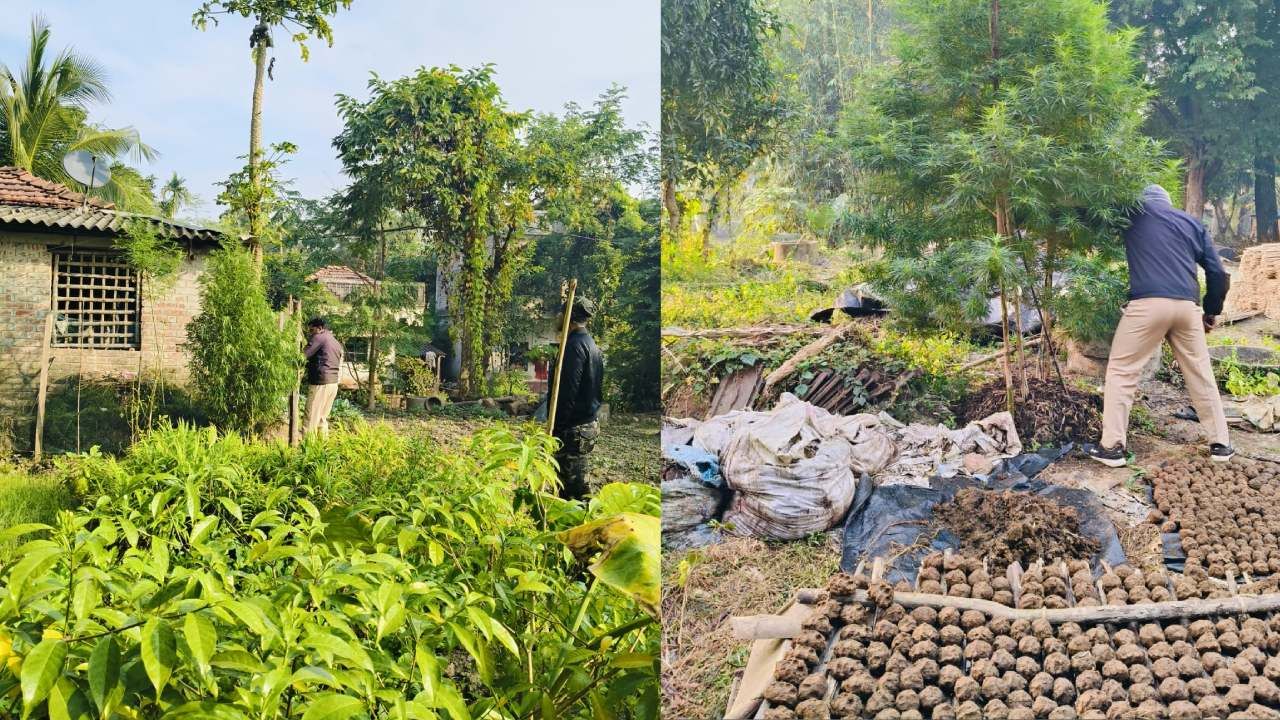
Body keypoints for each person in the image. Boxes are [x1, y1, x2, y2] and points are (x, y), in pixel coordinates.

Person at [1085, 184, 1233, 467]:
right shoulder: (1191, 222)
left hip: (1147, 306)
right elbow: (1218, 272)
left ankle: (1112, 447)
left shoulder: (1131, 214)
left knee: (1122, 370)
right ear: (1168, 203)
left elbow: (1095, 212)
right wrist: (1211, 311)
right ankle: (1221, 444)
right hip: (1187, 309)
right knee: (1201, 373)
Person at [550, 296, 605, 500]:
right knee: (570, 484)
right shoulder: (590, 344)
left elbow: (566, 393)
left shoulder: (573, 347)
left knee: (574, 492)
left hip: (573, 430)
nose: (557, 316)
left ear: (568, 317)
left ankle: (581, 529)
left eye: (561, 313)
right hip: (587, 423)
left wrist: (556, 431)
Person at [302, 316, 343, 438]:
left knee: (310, 418)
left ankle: (306, 451)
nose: (310, 334)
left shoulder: (319, 337)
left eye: (311, 330)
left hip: (321, 383)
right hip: (333, 383)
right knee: (321, 419)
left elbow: (303, 356)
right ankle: (322, 450)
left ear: (319, 328)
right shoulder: (335, 341)